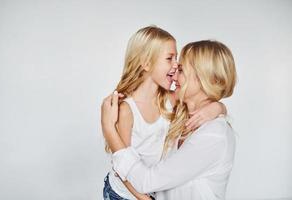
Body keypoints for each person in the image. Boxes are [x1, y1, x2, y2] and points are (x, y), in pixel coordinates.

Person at [101, 40, 237, 200]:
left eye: (181, 69)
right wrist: (218, 106)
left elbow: (147, 181)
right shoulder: (182, 114)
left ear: (203, 79)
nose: (174, 73)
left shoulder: (213, 136)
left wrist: (109, 129)